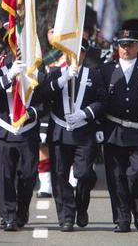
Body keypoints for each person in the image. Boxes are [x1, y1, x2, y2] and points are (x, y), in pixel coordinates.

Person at [99, 29, 138, 233]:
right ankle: (122, 218)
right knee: (116, 177)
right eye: (122, 45)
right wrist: (98, 128)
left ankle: (137, 210)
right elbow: (99, 102)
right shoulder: (106, 71)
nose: (126, 49)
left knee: (137, 175)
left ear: (137, 46)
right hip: (113, 131)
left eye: (130, 44)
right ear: (117, 47)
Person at [43, 44, 107, 232]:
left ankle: (81, 204)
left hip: (84, 131)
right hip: (60, 131)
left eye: (79, 52)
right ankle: (66, 217)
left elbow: (103, 101)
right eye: (70, 51)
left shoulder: (94, 74)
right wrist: (63, 79)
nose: (75, 55)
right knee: (60, 175)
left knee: (85, 174)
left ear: (84, 54)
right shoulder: (55, 73)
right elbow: (45, 95)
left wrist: (85, 113)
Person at [0, 57, 45, 231]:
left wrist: (31, 113)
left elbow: (46, 102)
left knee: (28, 176)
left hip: (28, 132)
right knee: (5, 176)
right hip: (5, 131)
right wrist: (8, 77)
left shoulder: (37, 70)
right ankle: (8, 216)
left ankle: (21, 210)